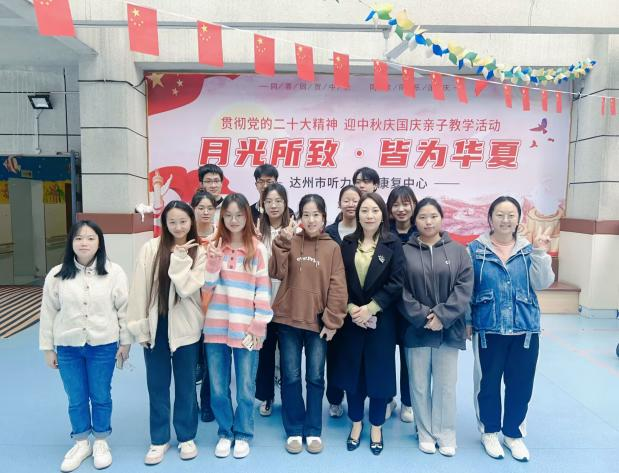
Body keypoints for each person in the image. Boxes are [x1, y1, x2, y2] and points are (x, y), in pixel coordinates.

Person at [39, 220, 129, 472]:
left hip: (103, 345)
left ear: (99, 242)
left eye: (90, 238)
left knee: (100, 394)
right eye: (78, 238)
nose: (84, 243)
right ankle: (81, 442)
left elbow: (124, 309)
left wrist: (125, 342)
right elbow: (48, 313)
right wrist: (48, 348)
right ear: (71, 242)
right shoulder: (57, 275)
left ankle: (100, 440)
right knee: (76, 396)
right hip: (68, 347)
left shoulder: (114, 272)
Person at [469, 196, 553, 462]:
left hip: (525, 329)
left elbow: (542, 283)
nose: (505, 220)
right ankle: (490, 431)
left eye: (511, 215)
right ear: (490, 218)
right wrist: (467, 322)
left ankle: (513, 434)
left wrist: (541, 253)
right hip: (488, 329)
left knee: (520, 385)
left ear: (519, 219)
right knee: (488, 384)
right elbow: (468, 289)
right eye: (500, 215)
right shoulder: (475, 250)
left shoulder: (529, 250)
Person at [127, 201, 206, 465]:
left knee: (186, 385)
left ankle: (186, 436)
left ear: (191, 222)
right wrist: (140, 327)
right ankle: (159, 439)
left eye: (183, 221)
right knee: (157, 385)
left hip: (186, 328)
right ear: (164, 223)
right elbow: (139, 289)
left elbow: (186, 288)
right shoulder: (151, 248)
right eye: (172, 222)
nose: (178, 227)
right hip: (156, 325)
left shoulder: (199, 252)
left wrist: (181, 258)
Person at [269, 194, 348, 454]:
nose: (311, 220)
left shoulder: (332, 247)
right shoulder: (290, 241)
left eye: (316, 215)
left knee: (315, 377)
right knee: (290, 377)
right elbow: (276, 271)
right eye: (306, 214)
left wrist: (332, 321)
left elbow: (338, 287)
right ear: (299, 217)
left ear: (324, 217)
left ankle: (313, 430)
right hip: (288, 320)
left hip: (317, 323)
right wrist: (282, 242)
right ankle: (294, 428)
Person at [399, 197, 474, 457]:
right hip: (416, 328)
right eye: (422, 217)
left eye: (433, 216)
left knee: (446, 385)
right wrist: (424, 316)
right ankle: (425, 432)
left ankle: (446, 434)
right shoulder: (405, 251)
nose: (428, 222)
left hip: (448, 329)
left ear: (441, 218)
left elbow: (464, 287)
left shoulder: (458, 251)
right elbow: (401, 290)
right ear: (415, 221)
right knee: (419, 384)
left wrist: (442, 315)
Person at [202, 193, 273, 459]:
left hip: (246, 329)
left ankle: (243, 433)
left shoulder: (258, 249)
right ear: (222, 217)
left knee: (245, 387)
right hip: (215, 326)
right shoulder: (214, 246)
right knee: (218, 388)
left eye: (239, 215)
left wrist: (259, 325)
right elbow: (205, 289)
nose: (234, 220)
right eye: (229, 215)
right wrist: (212, 263)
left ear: (247, 216)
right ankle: (225, 431)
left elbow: (263, 290)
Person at [333, 193, 404, 456]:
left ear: (382, 215)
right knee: (353, 374)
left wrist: (371, 308)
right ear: (358, 214)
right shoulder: (347, 243)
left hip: (381, 321)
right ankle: (355, 423)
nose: (369, 215)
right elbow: (338, 280)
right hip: (352, 321)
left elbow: (397, 282)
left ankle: (376, 426)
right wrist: (352, 308)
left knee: (378, 375)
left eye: (375, 210)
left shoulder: (392, 243)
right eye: (364, 210)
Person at [323, 184, 362, 418]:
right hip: (333, 302)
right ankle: (335, 399)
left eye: (355, 200)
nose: (350, 204)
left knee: (356, 354)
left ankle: (356, 398)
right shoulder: (328, 232)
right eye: (346, 200)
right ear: (339, 203)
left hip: (359, 304)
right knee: (334, 354)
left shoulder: (368, 230)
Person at [255, 183, 291, 416]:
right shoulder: (256, 231)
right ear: (262, 204)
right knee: (265, 353)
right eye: (269, 201)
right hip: (262, 301)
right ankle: (267, 396)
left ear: (285, 203)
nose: (274, 205)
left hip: (287, 302)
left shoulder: (294, 230)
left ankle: (289, 397)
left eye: (278, 201)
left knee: (288, 355)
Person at [385, 186, 418, 423]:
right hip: (387, 305)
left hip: (412, 306)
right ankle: (387, 399)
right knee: (385, 355)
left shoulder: (422, 232)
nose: (401, 209)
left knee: (409, 358)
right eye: (395, 205)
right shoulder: (383, 233)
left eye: (406, 204)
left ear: (414, 205)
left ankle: (408, 402)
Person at [190, 190, 217, 423]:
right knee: (190, 359)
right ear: (193, 210)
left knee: (211, 360)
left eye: (210, 208)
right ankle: (191, 403)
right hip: (189, 306)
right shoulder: (185, 237)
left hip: (215, 307)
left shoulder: (221, 236)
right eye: (201, 208)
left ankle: (207, 402)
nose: (205, 212)